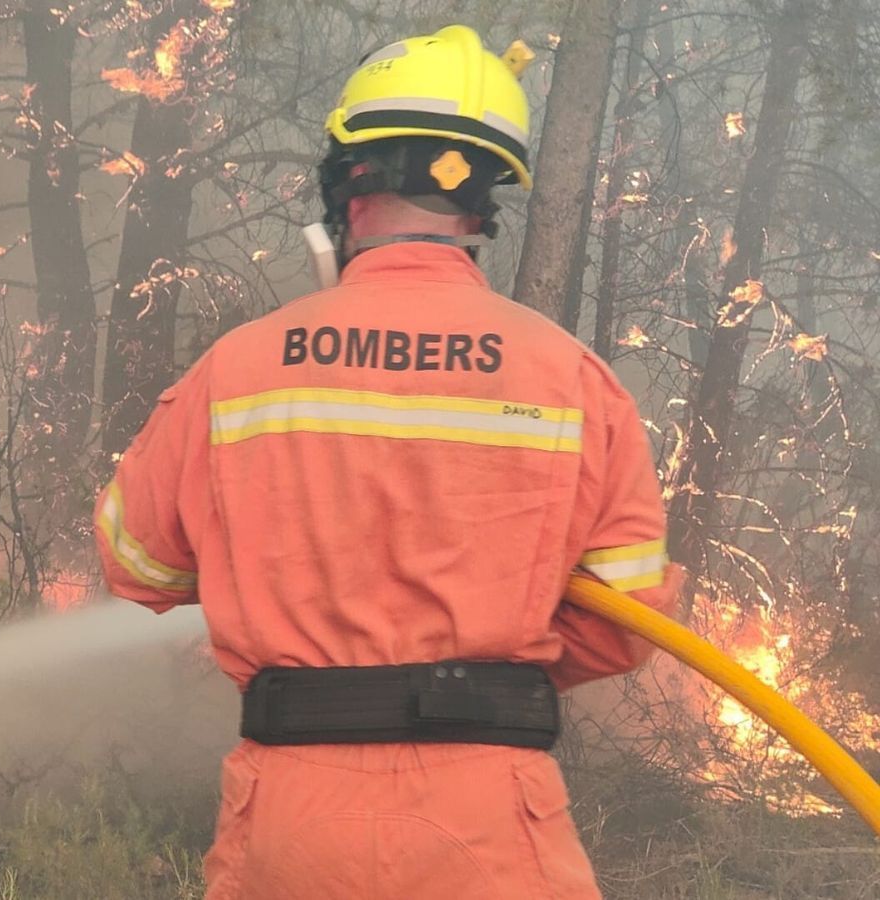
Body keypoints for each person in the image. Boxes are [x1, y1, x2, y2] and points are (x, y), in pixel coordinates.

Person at [94, 24, 684, 900]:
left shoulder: (239, 368)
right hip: (491, 813)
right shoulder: (572, 380)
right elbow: (626, 617)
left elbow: (136, 562)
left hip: (292, 817)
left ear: (348, 183)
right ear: (483, 203)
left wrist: (266, 574)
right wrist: (483, 651)